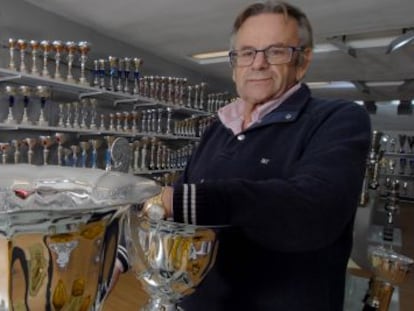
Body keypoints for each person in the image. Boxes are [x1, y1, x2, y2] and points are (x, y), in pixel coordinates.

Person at [115, 1, 372, 310]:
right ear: (234, 64)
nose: (258, 63)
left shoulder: (338, 119)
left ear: (302, 62)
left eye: (275, 51)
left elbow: (317, 209)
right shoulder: (218, 128)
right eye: (247, 52)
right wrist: (123, 255)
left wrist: (183, 200)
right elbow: (175, 212)